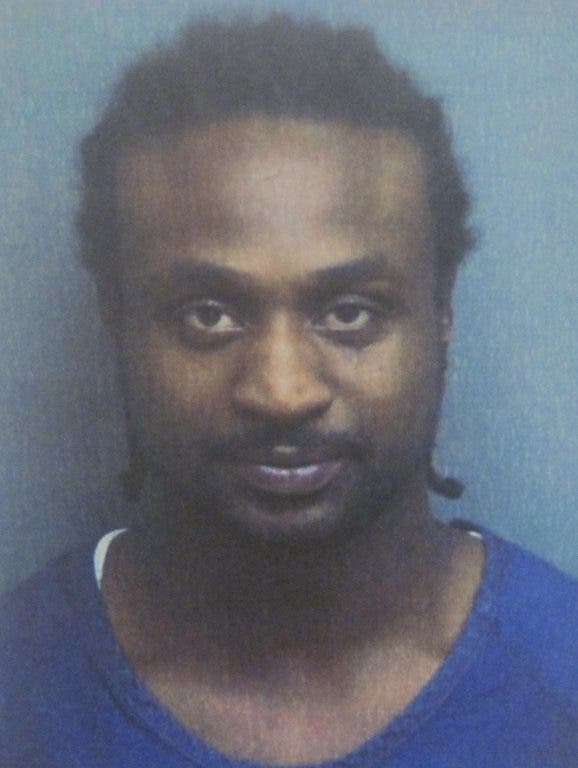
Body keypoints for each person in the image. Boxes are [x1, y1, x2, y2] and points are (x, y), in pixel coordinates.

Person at [1, 14, 576, 767]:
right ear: (118, 323)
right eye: (209, 314)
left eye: (351, 312)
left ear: (442, 314)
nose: (282, 391)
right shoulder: (18, 689)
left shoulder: (561, 675)